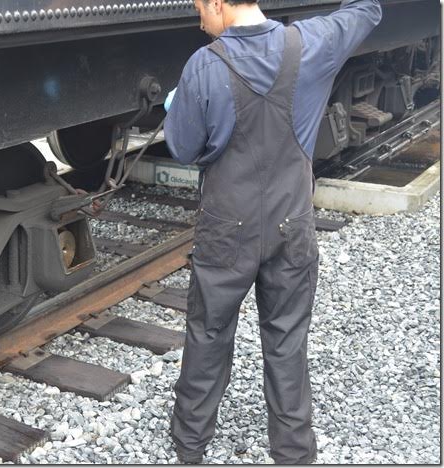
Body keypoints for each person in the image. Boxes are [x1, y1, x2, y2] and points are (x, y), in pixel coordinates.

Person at [163, 0, 381, 463]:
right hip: (292, 226)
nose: (198, 15)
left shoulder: (203, 64)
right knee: (286, 341)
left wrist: (176, 104)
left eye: (201, 5)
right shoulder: (313, 43)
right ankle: (294, 453)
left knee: (208, 334)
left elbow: (183, 148)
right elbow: (368, 10)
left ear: (220, 3)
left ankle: (189, 446)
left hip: (226, 230)